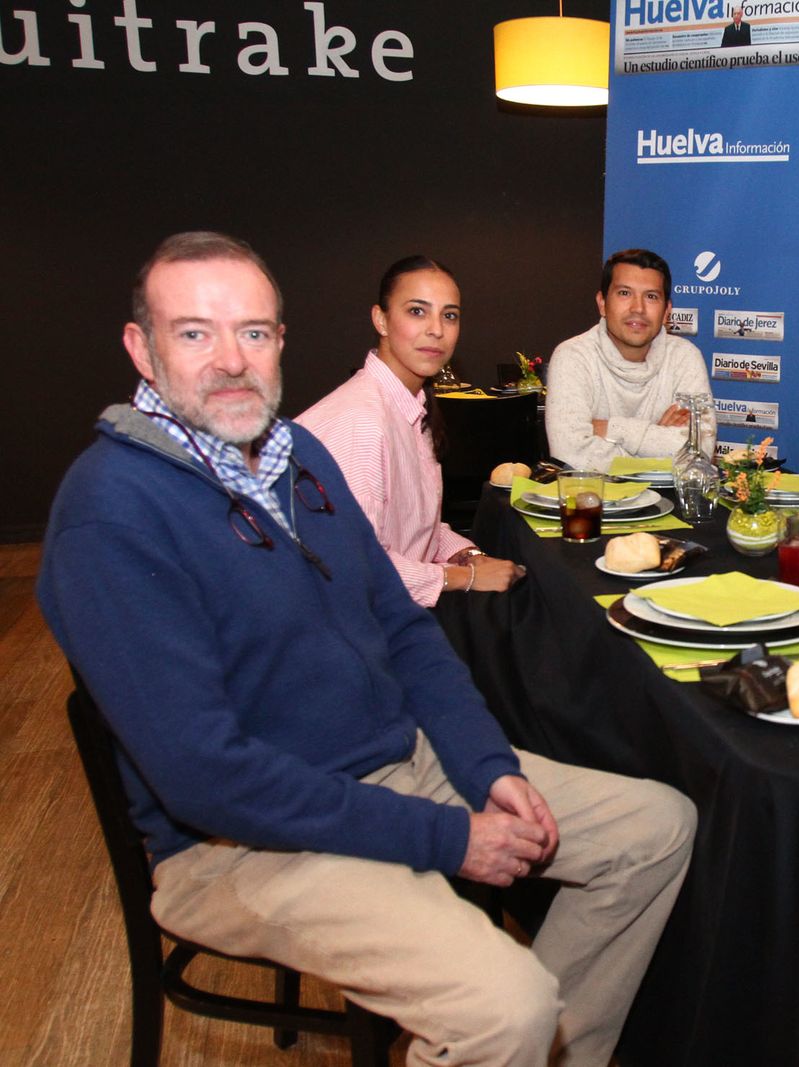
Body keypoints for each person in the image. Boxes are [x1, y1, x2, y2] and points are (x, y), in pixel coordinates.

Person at [37, 232, 697, 1067]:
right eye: (196, 332)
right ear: (142, 346)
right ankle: (512, 1032)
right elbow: (207, 776)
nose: (233, 359)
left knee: (656, 827)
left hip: (388, 759)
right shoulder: (111, 513)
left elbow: (404, 628)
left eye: (255, 331)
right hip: (242, 842)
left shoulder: (296, 458)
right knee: (507, 1006)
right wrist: (446, 837)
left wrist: (486, 765)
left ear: (282, 338)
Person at [298, 255, 523, 608]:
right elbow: (356, 568)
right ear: (381, 319)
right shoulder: (359, 422)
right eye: (417, 311)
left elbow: (411, 529)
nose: (436, 329)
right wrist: (463, 577)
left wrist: (467, 554)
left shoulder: (409, 405)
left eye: (449, 315)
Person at [545, 248, 715, 470]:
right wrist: (657, 437)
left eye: (651, 296)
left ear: (667, 312)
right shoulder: (573, 356)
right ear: (602, 303)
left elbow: (700, 451)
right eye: (624, 293)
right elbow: (569, 452)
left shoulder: (685, 357)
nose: (638, 308)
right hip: (595, 501)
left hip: (671, 502)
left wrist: (610, 429)